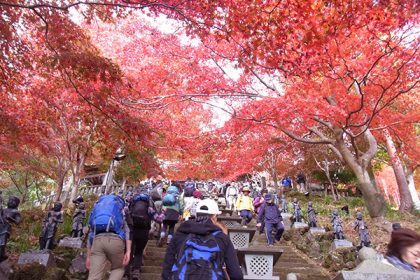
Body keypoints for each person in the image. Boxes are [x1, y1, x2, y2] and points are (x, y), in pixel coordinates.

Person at [161, 199, 243, 280]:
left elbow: (167, 265)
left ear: (196, 215)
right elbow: (236, 274)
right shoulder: (222, 238)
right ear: (214, 217)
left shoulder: (180, 233)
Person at [86, 194, 132, 280]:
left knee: (94, 275)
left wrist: (88, 256)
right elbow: (128, 231)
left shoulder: (96, 208)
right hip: (115, 240)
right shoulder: (122, 209)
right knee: (118, 268)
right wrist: (128, 251)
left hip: (97, 240)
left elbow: (90, 232)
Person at [0, 196, 21, 262]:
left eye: (13, 201)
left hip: (5, 228)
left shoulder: (16, 212)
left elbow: (18, 222)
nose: (11, 202)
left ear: (17, 204)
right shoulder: (3, 210)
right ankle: (2, 256)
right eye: (10, 200)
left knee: (2, 243)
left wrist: (10, 218)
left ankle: (1, 256)